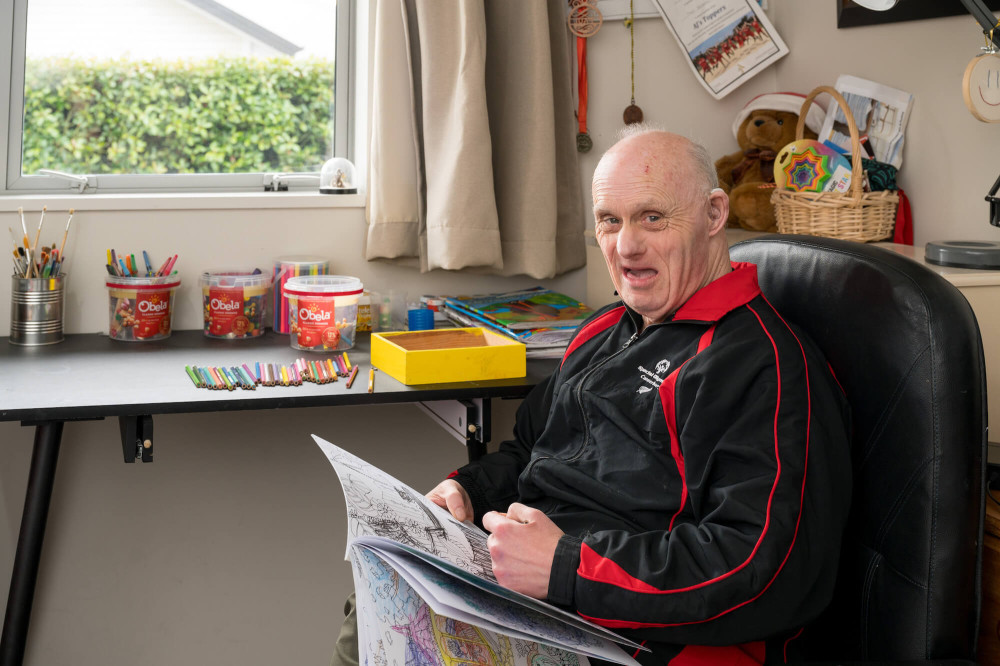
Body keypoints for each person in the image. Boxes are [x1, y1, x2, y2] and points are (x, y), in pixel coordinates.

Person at [334, 127, 852, 666]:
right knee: (376, 599)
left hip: (650, 638)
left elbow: (761, 570)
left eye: (652, 217)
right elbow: (531, 450)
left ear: (715, 214)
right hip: (554, 595)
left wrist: (565, 567)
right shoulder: (604, 329)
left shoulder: (763, 365)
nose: (626, 246)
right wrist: (467, 491)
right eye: (610, 220)